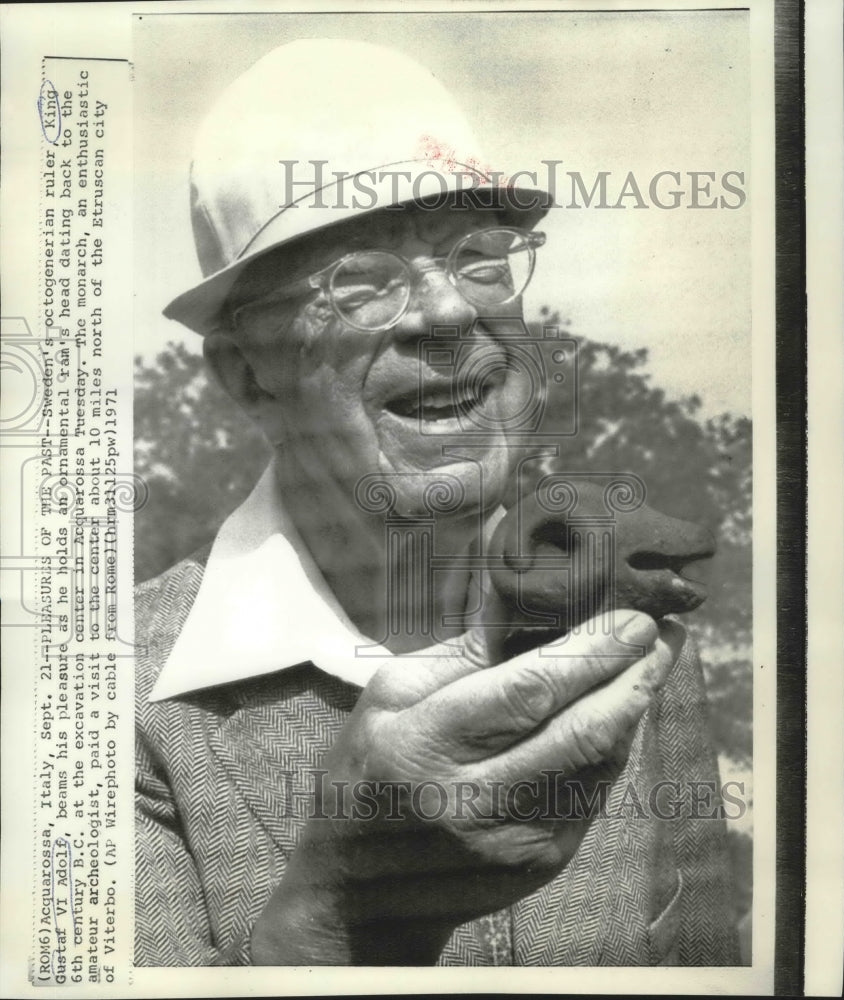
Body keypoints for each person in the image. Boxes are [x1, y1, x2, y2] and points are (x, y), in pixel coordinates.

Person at [135, 39, 739, 967]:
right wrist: (342, 912)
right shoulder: (109, 700)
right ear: (249, 375)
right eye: (362, 280)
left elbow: (703, 971)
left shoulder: (618, 615)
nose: (449, 314)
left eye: (478, 260)